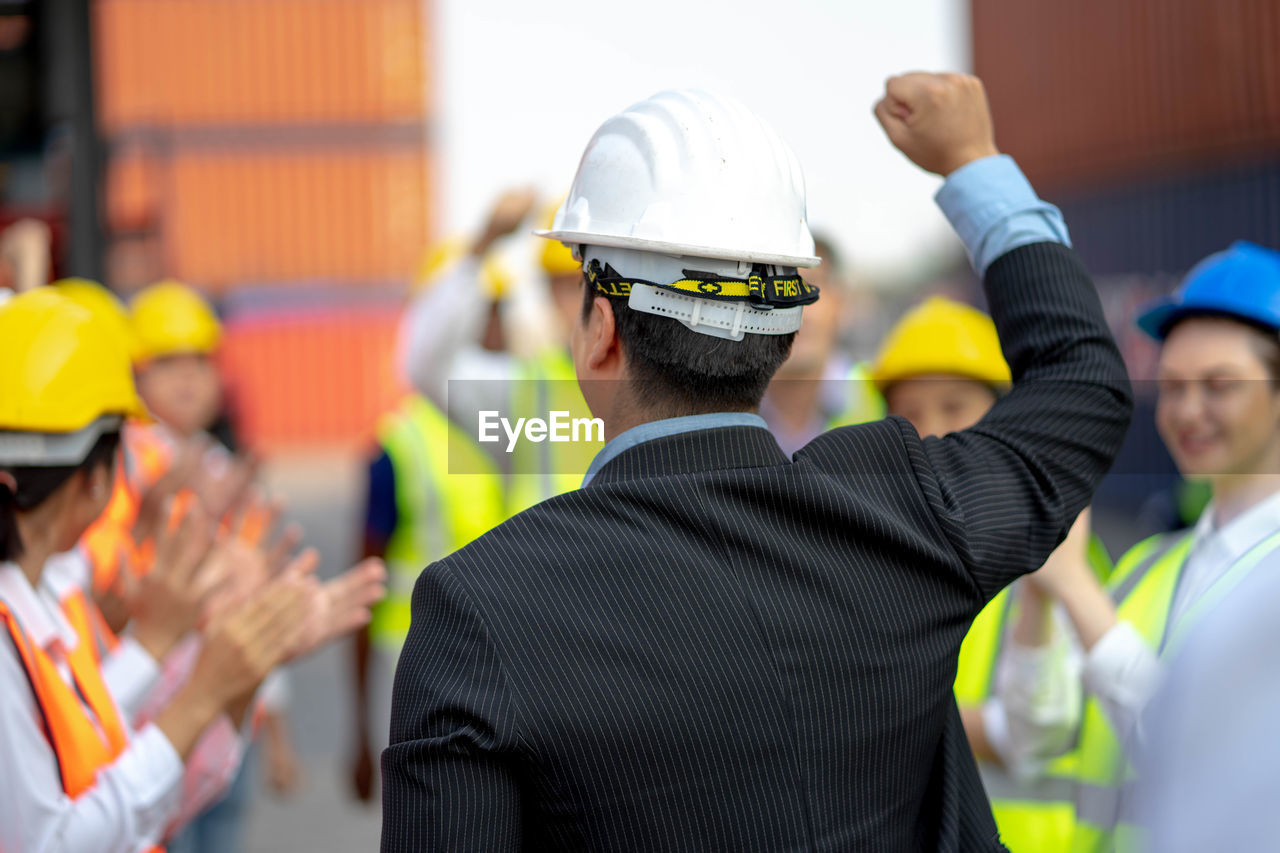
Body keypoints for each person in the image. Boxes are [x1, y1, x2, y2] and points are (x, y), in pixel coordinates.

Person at [382, 73, 1132, 851]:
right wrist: (973, 161)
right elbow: (1081, 384)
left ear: (600, 330)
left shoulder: (476, 612)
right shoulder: (904, 510)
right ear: (778, 338)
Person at [0, 288, 314, 852]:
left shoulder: (32, 602)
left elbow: (82, 720)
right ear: (98, 478)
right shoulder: (23, 617)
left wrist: (176, 653)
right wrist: (199, 694)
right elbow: (56, 840)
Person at [997, 241, 1280, 852]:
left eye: (1219, 386)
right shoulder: (1149, 566)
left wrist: (1076, 588)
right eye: (1172, 386)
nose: (1186, 411)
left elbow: (1203, 757)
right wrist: (1040, 592)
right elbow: (1031, 738)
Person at [871, 296, 1111, 851]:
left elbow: (1041, 733)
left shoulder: (1052, 548)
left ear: (1003, 416)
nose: (930, 433)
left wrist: (900, 716)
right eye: (909, 411)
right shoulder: (878, 551)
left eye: (954, 407)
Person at [347, 390, 507, 803]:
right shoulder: (399, 446)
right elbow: (361, 589)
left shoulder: (507, 427)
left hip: (490, 666)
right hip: (406, 664)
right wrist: (361, 728)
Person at [399, 192, 602, 512]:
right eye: (570, 285)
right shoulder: (523, 390)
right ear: (548, 290)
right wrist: (483, 244)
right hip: (541, 563)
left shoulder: (650, 378)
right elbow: (426, 365)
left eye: (593, 283)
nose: (588, 302)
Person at [760, 234, 884, 454]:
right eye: (780, 287)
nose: (797, 309)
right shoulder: (720, 406)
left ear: (842, 303)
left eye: (811, 285)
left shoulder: (887, 398)